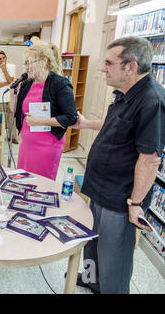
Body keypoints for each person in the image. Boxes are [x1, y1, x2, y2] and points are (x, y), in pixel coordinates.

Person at [69, 36, 164, 294]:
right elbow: (113, 124)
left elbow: (150, 158)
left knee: (114, 258)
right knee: (92, 243)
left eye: (109, 63)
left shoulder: (151, 102)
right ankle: (91, 280)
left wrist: (135, 205)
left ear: (130, 67)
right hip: (100, 188)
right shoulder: (124, 94)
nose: (103, 69)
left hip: (120, 200)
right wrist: (86, 123)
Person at [10, 41, 77, 180]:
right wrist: (13, 93)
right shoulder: (28, 83)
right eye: (25, 63)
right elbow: (14, 111)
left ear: (44, 61)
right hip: (26, 144)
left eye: (30, 62)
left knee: (40, 185)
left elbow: (71, 117)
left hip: (47, 147)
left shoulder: (59, 84)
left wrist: (39, 121)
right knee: (23, 182)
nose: (26, 67)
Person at [0, 50, 17, 142]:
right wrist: (7, 83)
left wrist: (4, 70)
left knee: (11, 117)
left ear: (6, 57)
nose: (2, 60)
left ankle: (12, 137)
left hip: (9, 97)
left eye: (3, 58)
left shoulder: (12, 66)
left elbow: (11, 81)